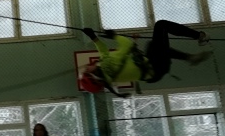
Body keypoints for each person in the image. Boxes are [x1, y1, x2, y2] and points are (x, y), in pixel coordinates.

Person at [80, 20, 212, 96]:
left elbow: (103, 50)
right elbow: (127, 45)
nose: (86, 67)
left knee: (153, 46)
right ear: (93, 75)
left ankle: (190, 57)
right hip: (155, 67)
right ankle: (198, 38)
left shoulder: (105, 71)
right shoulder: (108, 66)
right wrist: (114, 36)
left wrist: (93, 37)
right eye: (87, 71)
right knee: (161, 25)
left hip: (152, 66)